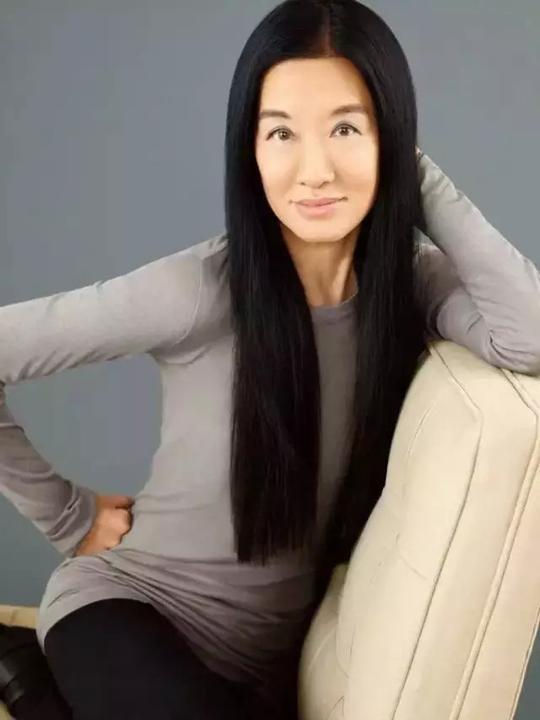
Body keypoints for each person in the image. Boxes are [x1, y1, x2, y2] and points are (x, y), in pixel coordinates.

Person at [1, 0, 540, 718]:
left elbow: (530, 336)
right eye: (281, 132)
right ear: (249, 151)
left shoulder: (411, 285)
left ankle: (28, 682)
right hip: (129, 612)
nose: (314, 171)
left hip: (262, 668)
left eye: (346, 128)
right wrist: (68, 517)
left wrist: (418, 179)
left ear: (392, 137)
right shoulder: (200, 289)